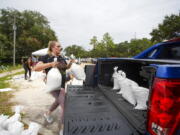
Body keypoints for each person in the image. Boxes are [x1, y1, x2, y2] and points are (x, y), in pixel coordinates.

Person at [34, 41, 73, 132]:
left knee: (58, 101)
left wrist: (70, 63)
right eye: (58, 46)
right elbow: (36, 68)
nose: (60, 48)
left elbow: (65, 67)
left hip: (62, 84)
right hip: (53, 86)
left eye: (60, 46)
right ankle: (63, 129)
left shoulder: (61, 57)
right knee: (64, 105)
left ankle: (47, 113)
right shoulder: (46, 57)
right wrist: (50, 64)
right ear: (52, 47)